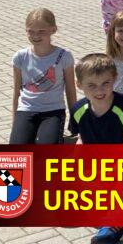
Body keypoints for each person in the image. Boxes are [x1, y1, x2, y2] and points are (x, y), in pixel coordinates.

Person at [69, 54, 123, 244]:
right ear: (79, 85)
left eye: (105, 83)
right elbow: (81, 139)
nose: (99, 90)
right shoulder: (78, 109)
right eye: (91, 85)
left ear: (115, 78)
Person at [10, 8, 76, 144]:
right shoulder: (20, 57)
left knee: (46, 148)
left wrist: (74, 119)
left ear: (53, 30)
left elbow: (70, 90)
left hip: (53, 110)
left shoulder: (64, 56)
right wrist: (15, 122)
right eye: (31, 31)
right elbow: (16, 92)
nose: (35, 36)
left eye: (41, 31)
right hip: (27, 109)